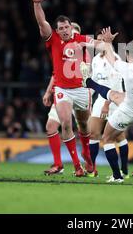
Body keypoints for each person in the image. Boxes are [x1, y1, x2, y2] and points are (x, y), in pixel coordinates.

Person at [31, 0, 109, 177]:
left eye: (67, 27)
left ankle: (87, 157)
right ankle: (76, 166)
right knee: (65, 123)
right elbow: (42, 22)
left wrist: (102, 42)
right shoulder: (54, 39)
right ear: (57, 30)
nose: (64, 31)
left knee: (84, 127)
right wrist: (37, 4)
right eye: (61, 28)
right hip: (63, 90)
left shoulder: (80, 39)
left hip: (82, 91)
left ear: (71, 27)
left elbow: (100, 46)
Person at [81, 37, 133, 183]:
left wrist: (107, 42)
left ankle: (117, 176)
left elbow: (110, 56)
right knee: (115, 95)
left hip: (128, 111)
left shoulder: (127, 67)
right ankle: (120, 171)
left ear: (127, 54)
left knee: (107, 138)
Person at [41, 22, 87, 176]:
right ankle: (59, 164)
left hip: (80, 94)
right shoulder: (61, 51)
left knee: (85, 130)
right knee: (51, 126)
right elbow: (56, 74)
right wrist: (48, 92)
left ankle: (88, 159)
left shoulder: (85, 53)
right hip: (63, 94)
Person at [87, 33, 128, 178]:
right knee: (93, 133)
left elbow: (115, 85)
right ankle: (91, 170)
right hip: (100, 99)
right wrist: (88, 98)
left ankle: (124, 170)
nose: (100, 42)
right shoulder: (96, 60)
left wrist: (106, 104)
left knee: (118, 137)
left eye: (103, 40)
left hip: (115, 101)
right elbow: (95, 82)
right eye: (98, 40)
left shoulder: (115, 58)